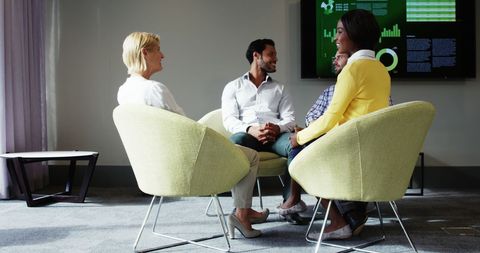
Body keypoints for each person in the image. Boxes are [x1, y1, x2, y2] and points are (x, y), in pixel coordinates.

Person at [117, 32, 268, 239]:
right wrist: (217, 142)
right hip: (186, 166)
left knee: (236, 149)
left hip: (157, 168)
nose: (163, 55)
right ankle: (242, 214)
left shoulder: (123, 91)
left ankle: (245, 211)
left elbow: (175, 130)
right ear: (145, 52)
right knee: (251, 156)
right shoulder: (154, 89)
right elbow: (187, 131)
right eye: (158, 50)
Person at [285, 9, 391, 240]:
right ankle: (353, 211)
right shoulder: (381, 69)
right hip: (369, 148)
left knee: (296, 154)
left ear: (354, 34)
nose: (335, 37)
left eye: (340, 31)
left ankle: (338, 221)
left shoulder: (353, 69)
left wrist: (299, 137)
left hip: (349, 148)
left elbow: (331, 117)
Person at [221, 39, 306, 219]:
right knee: (235, 143)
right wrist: (251, 129)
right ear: (256, 56)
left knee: (297, 144)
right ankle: (241, 208)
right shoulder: (233, 87)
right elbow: (229, 120)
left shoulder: (280, 88)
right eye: (271, 54)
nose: (275, 59)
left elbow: (290, 119)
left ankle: (289, 203)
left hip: (277, 136)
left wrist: (277, 128)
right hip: (248, 135)